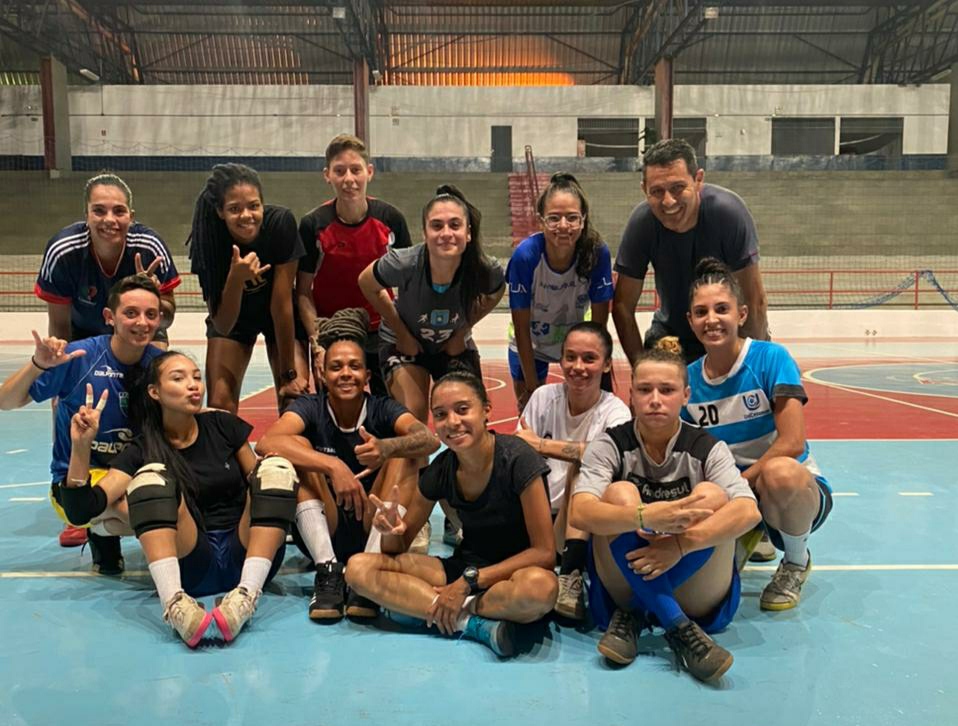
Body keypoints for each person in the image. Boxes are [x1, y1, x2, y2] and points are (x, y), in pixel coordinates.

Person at [56, 351, 296, 648]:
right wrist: (80, 447)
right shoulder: (142, 448)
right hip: (192, 562)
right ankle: (176, 606)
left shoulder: (223, 426)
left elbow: (260, 485)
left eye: (196, 377)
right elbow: (81, 511)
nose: (193, 385)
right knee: (151, 480)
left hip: (247, 552)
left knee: (274, 470)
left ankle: (245, 597)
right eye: (179, 378)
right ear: (154, 392)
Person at [570, 347, 761, 683]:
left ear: (686, 396)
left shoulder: (707, 447)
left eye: (667, 390)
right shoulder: (611, 444)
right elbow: (581, 512)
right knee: (618, 494)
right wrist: (646, 517)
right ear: (631, 395)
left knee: (714, 496)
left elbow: (749, 510)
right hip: (625, 585)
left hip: (691, 582)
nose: (655, 399)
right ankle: (677, 625)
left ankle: (641, 613)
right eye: (644, 390)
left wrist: (680, 546)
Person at [346, 372, 558, 657]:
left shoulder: (518, 459)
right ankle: (470, 623)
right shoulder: (442, 469)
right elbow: (398, 546)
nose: (452, 422)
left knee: (540, 589)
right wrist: (389, 530)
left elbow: (544, 553)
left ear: (486, 410)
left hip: (513, 575)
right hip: (465, 569)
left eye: (462, 409)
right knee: (359, 567)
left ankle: (434, 608)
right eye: (441, 414)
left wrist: (466, 584)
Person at [255, 309, 440, 622]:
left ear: (367, 377)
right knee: (294, 448)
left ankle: (368, 571)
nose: (345, 373)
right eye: (336, 367)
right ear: (323, 375)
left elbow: (429, 439)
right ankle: (328, 570)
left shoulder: (381, 408)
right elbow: (267, 442)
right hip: (325, 525)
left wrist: (386, 447)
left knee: (408, 451)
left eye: (355, 366)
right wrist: (333, 466)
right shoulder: (310, 407)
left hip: (374, 524)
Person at [34, 172, 180, 547]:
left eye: (118, 211)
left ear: (131, 215)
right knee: (65, 394)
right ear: (87, 215)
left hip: (141, 332)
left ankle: (152, 471)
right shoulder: (63, 251)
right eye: (99, 211)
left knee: (162, 382)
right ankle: (76, 491)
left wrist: (149, 292)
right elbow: (59, 325)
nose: (109, 219)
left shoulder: (149, 247)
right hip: (83, 337)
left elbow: (168, 315)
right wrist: (61, 366)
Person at [684, 257, 833, 611]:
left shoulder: (769, 358)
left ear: (742, 314)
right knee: (702, 596)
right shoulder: (687, 380)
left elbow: (792, 443)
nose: (712, 319)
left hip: (787, 486)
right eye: (701, 312)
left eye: (722, 308)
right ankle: (752, 531)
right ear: (690, 321)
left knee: (779, 473)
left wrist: (738, 485)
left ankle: (795, 561)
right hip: (730, 491)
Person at [0, 275, 166, 574]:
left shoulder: (161, 365)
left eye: (150, 314)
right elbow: (6, 401)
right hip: (76, 482)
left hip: (133, 473)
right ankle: (100, 529)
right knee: (149, 513)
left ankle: (103, 530)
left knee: (172, 509)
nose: (142, 322)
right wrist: (37, 365)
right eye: (130, 313)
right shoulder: (80, 357)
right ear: (109, 317)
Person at [612, 138, 769, 365]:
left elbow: (755, 302)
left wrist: (751, 367)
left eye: (677, 188)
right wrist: (640, 368)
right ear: (644, 189)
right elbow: (623, 306)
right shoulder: (642, 223)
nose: (668, 201)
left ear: (698, 180)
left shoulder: (729, 214)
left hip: (727, 333)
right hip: (671, 335)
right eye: (656, 191)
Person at [357, 184, 505, 424]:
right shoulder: (403, 263)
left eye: (455, 225)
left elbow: (497, 292)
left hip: (451, 344)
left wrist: (464, 329)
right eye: (437, 226)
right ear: (425, 234)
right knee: (413, 420)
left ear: (468, 232)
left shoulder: (484, 269)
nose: (446, 233)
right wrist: (401, 331)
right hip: (403, 344)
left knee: (471, 420)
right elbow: (366, 281)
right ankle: (416, 460)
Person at [515, 322, 630, 620]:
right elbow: (518, 451)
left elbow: (602, 456)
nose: (578, 367)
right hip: (537, 517)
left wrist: (541, 445)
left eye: (589, 359)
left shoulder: (616, 411)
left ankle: (571, 576)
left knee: (585, 468)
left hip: (578, 526)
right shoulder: (542, 397)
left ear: (606, 365)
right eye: (570, 357)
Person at [188, 162, 310, 414]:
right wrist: (236, 279)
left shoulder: (280, 224)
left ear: (263, 204)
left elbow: (282, 305)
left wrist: (288, 374)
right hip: (236, 320)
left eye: (254, 206)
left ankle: (289, 451)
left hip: (280, 316)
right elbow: (222, 324)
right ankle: (229, 454)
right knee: (220, 403)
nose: (246, 215)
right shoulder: (209, 240)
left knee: (296, 399)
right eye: (234, 209)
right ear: (221, 212)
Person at [296, 134, 412, 395]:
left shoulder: (391, 219)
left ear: (369, 172)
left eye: (355, 170)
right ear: (328, 175)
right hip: (331, 331)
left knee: (391, 409)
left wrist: (403, 331)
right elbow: (303, 291)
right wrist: (317, 342)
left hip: (381, 330)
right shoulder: (313, 225)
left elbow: (408, 284)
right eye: (340, 171)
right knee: (337, 415)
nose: (349, 179)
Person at [506, 172, 613, 411]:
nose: (563, 226)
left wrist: (596, 374)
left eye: (572, 218)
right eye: (554, 218)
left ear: (583, 220)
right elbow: (521, 328)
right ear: (540, 221)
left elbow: (599, 327)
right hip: (530, 343)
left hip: (576, 343)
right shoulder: (525, 257)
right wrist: (533, 390)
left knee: (587, 411)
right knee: (531, 414)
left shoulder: (597, 253)